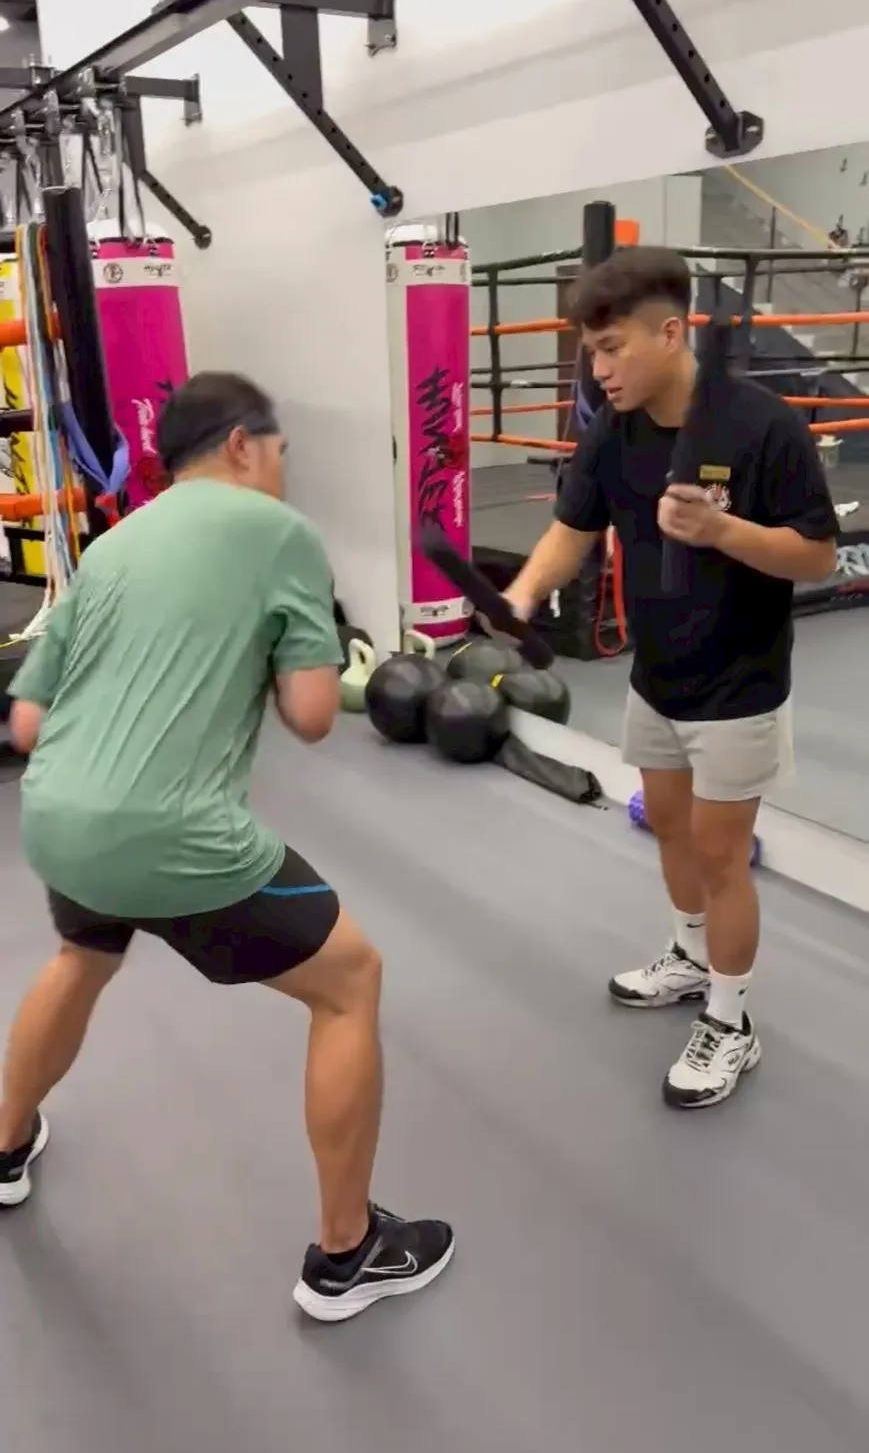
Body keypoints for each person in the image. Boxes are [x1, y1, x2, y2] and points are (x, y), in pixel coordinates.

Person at [0, 371, 454, 1321]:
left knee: (84, 953)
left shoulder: (112, 545)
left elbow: (29, 725)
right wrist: (311, 649)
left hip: (57, 815)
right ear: (243, 445)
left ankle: (2, 1148)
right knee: (351, 980)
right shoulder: (278, 533)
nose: (283, 470)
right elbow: (314, 714)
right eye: (281, 451)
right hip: (169, 834)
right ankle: (348, 1254)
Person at [502, 247, 838, 1110]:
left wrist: (722, 533)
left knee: (722, 858)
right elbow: (572, 528)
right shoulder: (612, 431)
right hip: (656, 676)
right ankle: (691, 957)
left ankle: (730, 1020)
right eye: (591, 352)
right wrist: (523, 593)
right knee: (669, 832)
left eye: (611, 348)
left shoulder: (762, 427)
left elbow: (815, 556)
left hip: (737, 684)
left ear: (670, 332)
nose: (598, 369)